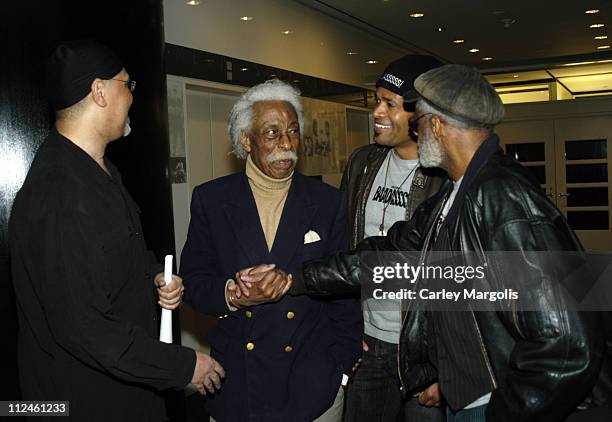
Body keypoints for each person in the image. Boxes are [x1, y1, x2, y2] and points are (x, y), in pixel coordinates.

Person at [239, 65, 612, 422]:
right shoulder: (458, 193)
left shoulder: (503, 197)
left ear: (436, 125)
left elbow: (569, 343)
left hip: (494, 402)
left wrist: (504, 412)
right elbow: (387, 256)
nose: (419, 135)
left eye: (418, 124)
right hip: (473, 397)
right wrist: (294, 280)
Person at [9, 40, 225, 422]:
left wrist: (155, 277)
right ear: (100, 91)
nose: (132, 96)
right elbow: (86, 328)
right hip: (85, 404)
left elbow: (113, 261)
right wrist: (184, 365)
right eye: (128, 84)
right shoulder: (58, 194)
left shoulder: (101, 172)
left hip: (126, 395)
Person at [179, 79, 362, 422]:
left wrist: (342, 372)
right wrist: (232, 294)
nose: (287, 144)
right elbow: (194, 281)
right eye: (272, 133)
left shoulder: (327, 202)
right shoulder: (212, 200)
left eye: (293, 132)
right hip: (239, 386)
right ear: (246, 140)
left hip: (312, 387)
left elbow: (345, 290)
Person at [339, 54, 446, 422]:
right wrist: (348, 328)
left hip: (423, 352)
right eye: (376, 100)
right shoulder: (362, 163)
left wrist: (445, 367)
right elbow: (346, 249)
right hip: (367, 343)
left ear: (421, 113)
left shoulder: (444, 175)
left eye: (390, 104)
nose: (377, 112)